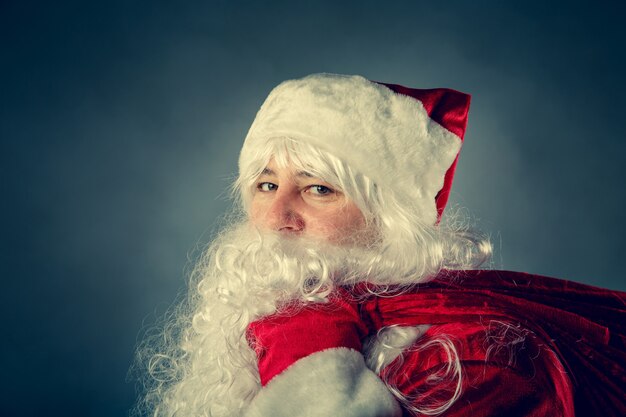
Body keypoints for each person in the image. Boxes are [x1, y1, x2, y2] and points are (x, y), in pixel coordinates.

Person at [135, 74, 626, 417]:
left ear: (391, 220)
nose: (277, 217)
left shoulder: (469, 360)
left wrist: (312, 349)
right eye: (266, 186)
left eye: (318, 188)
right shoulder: (272, 319)